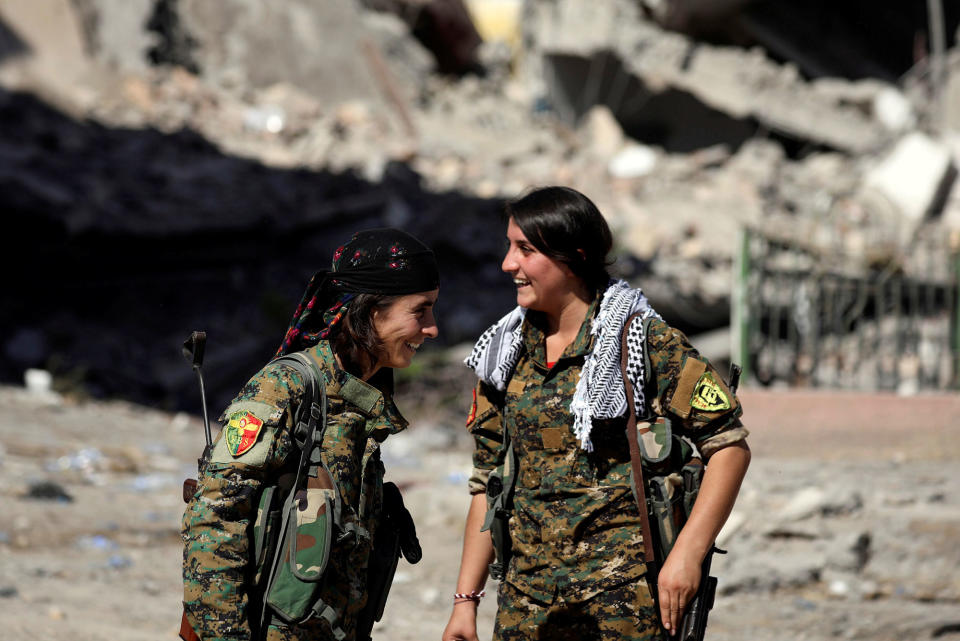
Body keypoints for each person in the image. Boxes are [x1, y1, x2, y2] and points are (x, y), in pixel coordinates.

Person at [441, 187, 751, 641]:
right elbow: (486, 482)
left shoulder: (643, 344)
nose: (509, 264)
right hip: (527, 605)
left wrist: (687, 554)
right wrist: (464, 604)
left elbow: (729, 447)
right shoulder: (503, 354)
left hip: (625, 601)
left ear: (574, 258)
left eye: (525, 250)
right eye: (510, 247)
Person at [182, 228, 440, 641]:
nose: (432, 329)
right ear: (372, 311)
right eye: (420, 311)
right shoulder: (287, 388)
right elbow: (215, 518)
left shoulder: (362, 397)